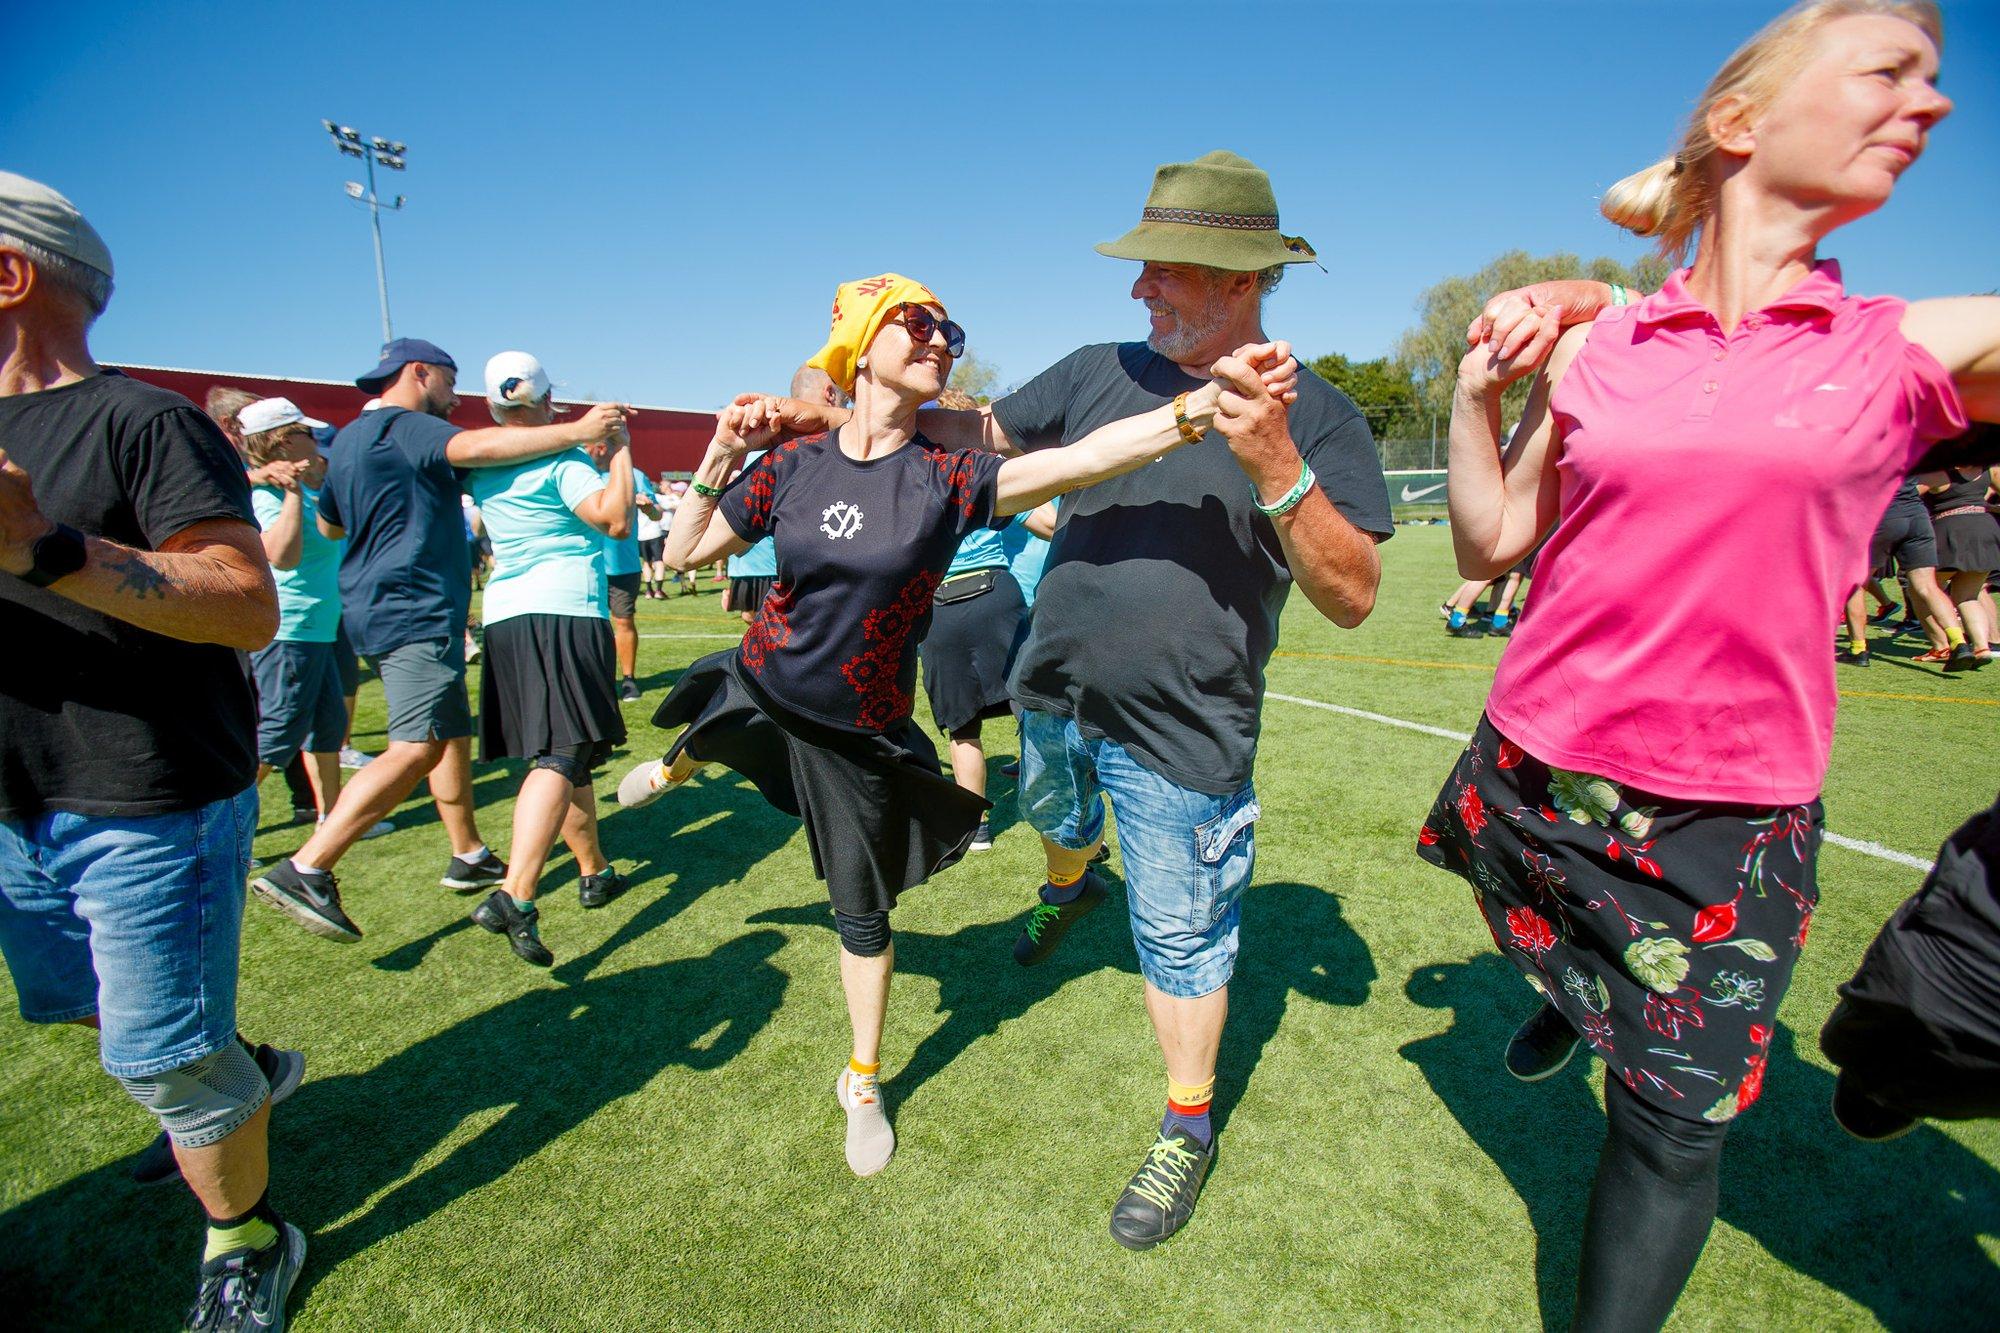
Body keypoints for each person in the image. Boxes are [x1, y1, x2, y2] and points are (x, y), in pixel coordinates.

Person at [1416, 5, 1998, 1327]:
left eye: (1938, 81)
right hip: (1536, 775)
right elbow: (1496, 535)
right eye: (1890, 72)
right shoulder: (1605, 348)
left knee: (1675, 1129)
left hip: (1725, 825)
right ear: (1742, 123)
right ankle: (1579, 986)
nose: (1933, 104)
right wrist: (1473, 396)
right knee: (1541, 935)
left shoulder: (1907, 346)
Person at [616, 273, 1297, 1181]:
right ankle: (678, 766)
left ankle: (860, 1080)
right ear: (859, 346)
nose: (942, 339)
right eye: (918, 323)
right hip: (763, 675)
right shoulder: (788, 464)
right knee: (720, 720)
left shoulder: (948, 475)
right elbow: (683, 552)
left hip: (856, 731)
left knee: (862, 916)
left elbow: (1081, 460)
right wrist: (717, 450)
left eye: (951, 329)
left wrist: (1199, 409)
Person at [895, 154, 1391, 1249]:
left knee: (1178, 937)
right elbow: (977, 436)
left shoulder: (1323, 417)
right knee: (1059, 827)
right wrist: (841, 413)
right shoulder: (1090, 371)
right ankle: (1067, 883)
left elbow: (1351, 593)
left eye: (1163, 271)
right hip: (1052, 694)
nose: (1138, 291)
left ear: (1239, 280)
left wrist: (1271, 460)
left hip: (1184, 737)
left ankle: (1185, 1125)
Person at [0, 171, 305, 1332]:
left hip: (144, 792)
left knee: (163, 1057)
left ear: (9, 273)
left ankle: (248, 1233)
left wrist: (44, 549)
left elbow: (242, 599)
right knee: (85, 1010)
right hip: (14, 797)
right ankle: (243, 1072)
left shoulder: (142, 420)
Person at [251, 338, 632, 942]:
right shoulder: (409, 426)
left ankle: (472, 852)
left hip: (387, 607)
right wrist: (583, 432)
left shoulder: (349, 439)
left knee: (457, 736)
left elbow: (333, 522)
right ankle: (309, 866)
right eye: (450, 384)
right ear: (419, 373)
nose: (456, 400)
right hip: (422, 607)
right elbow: (476, 446)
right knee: (420, 746)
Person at [460, 352, 634, 966]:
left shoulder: (484, 462)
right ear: (545, 399)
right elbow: (614, 521)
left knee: (575, 750)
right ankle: (517, 895)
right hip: (563, 609)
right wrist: (620, 452)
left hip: (507, 613)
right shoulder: (560, 459)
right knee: (560, 753)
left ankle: (594, 870)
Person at [918, 386, 1030, 850]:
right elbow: (1042, 519)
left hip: (939, 606)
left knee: (962, 727)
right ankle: (1068, 814)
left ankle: (975, 829)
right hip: (996, 595)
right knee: (1036, 708)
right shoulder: (989, 472)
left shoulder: (913, 474)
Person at [1837, 472, 1963, 665]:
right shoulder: (1905, 449)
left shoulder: (1863, 450)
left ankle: (1858, 649)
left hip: (1881, 514)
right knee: (1927, 586)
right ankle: (1958, 643)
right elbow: (1936, 477)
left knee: (1857, 583)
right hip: (1916, 515)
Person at [1920, 443, 1999, 669]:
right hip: (1985, 532)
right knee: (1968, 596)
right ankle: (1982, 647)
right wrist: (1991, 509)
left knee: (1925, 589)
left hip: (1951, 532)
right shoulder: (1988, 470)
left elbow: (1904, 495)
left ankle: (1945, 644)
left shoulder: (1939, 473)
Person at [596, 436, 658, 702]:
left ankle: (628, 679)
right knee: (592, 626)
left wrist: (647, 507)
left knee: (623, 620)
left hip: (623, 563)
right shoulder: (581, 473)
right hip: (586, 565)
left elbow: (655, 515)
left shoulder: (634, 475)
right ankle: (599, 679)